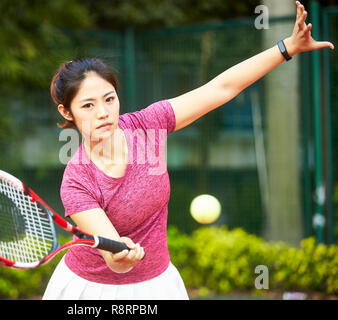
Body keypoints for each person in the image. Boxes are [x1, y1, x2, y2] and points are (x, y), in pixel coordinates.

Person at [42, 1, 333, 300]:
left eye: (109, 99)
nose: (103, 112)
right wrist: (120, 255)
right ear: (67, 112)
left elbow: (221, 88)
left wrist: (287, 47)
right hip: (92, 292)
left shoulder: (147, 126)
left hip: (159, 283)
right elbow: (113, 259)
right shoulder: (77, 181)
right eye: (88, 105)